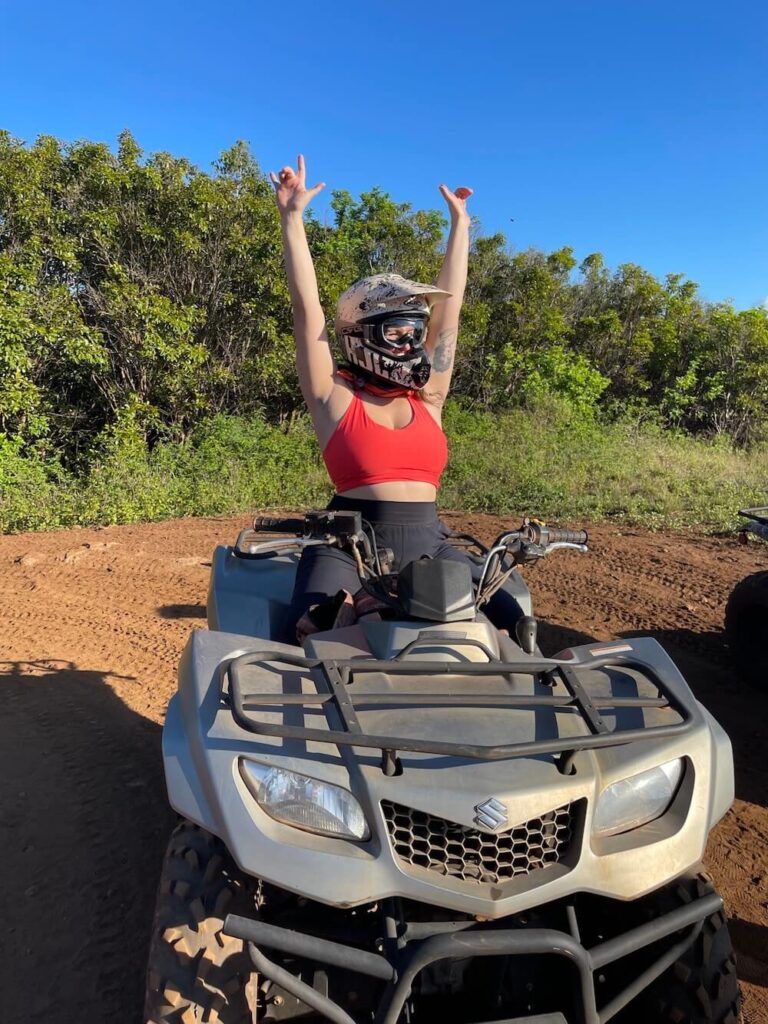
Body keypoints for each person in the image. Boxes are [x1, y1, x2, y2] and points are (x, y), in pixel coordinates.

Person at [270, 154, 519, 640]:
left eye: (416, 333)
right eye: (398, 333)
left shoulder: (429, 399)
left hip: (432, 540)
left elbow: (452, 315)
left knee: (514, 622)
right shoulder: (333, 396)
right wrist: (292, 217)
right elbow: (308, 312)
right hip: (346, 543)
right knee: (309, 635)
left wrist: (460, 227)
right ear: (361, 335)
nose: (412, 346)